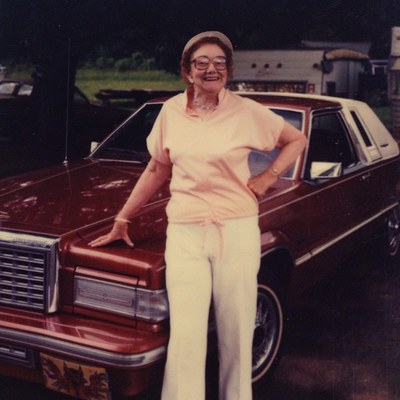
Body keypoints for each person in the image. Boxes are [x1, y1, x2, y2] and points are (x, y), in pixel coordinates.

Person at [89, 31, 306, 400]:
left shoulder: (246, 111)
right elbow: (158, 169)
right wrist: (122, 218)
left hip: (235, 229)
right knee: (186, 335)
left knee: (236, 332)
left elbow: (295, 140)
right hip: (186, 232)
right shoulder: (171, 111)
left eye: (220, 63)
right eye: (202, 62)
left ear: (229, 70)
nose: (211, 69)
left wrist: (268, 177)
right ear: (187, 71)